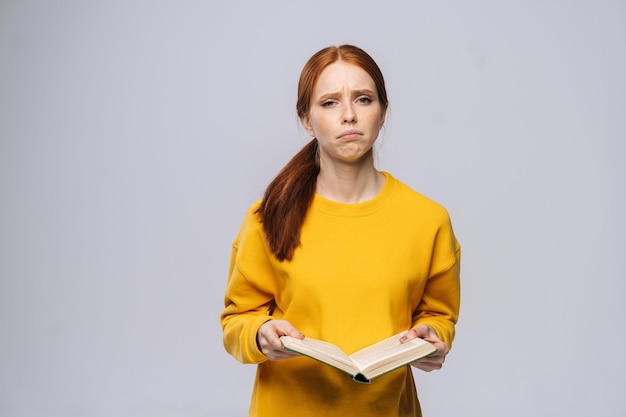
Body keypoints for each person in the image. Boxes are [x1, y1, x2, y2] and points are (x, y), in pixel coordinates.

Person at [220, 44, 460, 417]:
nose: (349, 115)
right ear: (306, 118)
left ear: (382, 112)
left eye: (363, 99)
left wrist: (433, 339)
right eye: (330, 103)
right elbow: (236, 322)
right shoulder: (267, 217)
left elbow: (439, 317)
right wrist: (259, 335)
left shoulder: (428, 220)